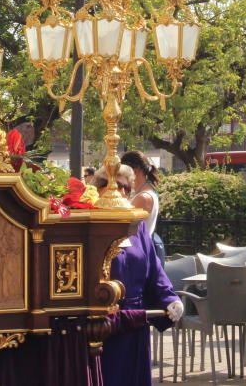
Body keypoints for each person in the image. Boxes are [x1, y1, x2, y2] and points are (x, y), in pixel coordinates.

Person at [94, 161, 182, 386]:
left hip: (135, 324)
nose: (120, 191)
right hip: (103, 325)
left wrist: (170, 298)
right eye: (112, 184)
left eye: (125, 187)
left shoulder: (137, 225)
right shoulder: (90, 224)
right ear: (98, 187)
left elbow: (154, 268)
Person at [121, 151, 167, 261]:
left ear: (135, 170)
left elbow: (126, 226)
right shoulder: (142, 193)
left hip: (139, 252)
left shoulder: (143, 197)